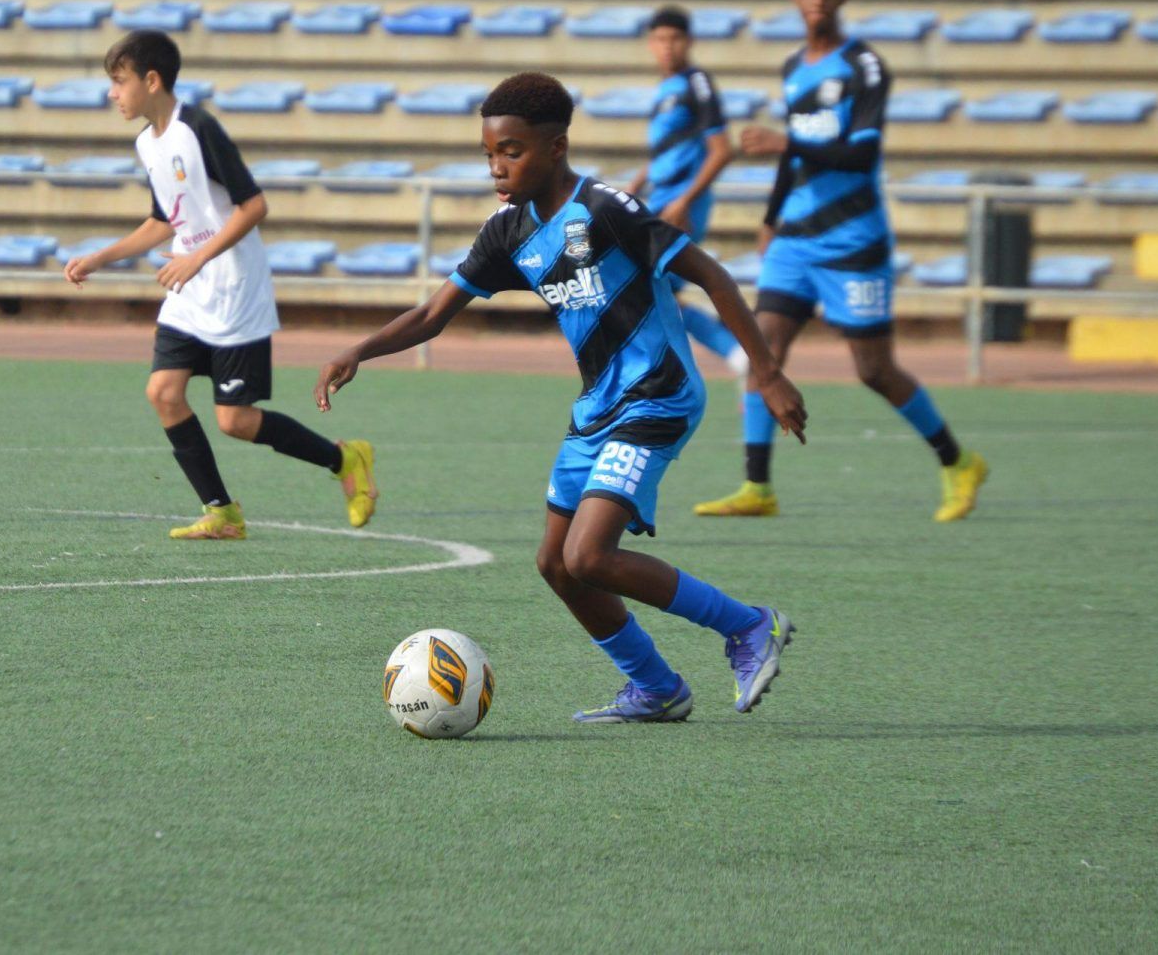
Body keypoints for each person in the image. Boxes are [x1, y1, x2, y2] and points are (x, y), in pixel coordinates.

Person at [315, 72, 807, 724]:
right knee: (556, 563)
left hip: (658, 394)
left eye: (511, 150)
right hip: (597, 407)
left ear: (556, 146)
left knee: (588, 554)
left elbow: (710, 273)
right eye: (489, 152)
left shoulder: (606, 209)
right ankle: (657, 687)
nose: (497, 166)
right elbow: (435, 313)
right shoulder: (508, 230)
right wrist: (360, 350)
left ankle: (748, 626)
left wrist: (767, 373)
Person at [695, 0, 988, 523]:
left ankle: (958, 461)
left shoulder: (865, 67)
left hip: (854, 242)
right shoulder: (792, 68)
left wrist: (786, 142)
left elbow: (861, 155)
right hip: (796, 241)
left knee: (872, 369)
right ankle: (758, 485)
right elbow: (793, 158)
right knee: (764, 350)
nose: (819, 3)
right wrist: (771, 218)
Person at [64, 31, 379, 540]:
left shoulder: (199, 128)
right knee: (163, 392)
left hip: (235, 288)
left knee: (235, 420)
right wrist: (101, 257)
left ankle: (345, 459)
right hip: (190, 290)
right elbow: (164, 220)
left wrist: (197, 258)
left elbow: (254, 206)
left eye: (118, 82)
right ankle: (222, 511)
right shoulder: (147, 142)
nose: (111, 93)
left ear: (152, 80)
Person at [625, 6, 747, 377]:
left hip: (681, 205)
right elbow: (668, 151)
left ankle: (735, 356)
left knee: (648, 288)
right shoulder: (665, 90)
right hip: (662, 200)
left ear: (689, 41)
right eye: (661, 39)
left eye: (675, 39)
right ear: (651, 44)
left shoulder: (697, 83)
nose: (668, 47)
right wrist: (637, 183)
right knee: (654, 290)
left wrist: (684, 200)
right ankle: (735, 356)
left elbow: (722, 149)